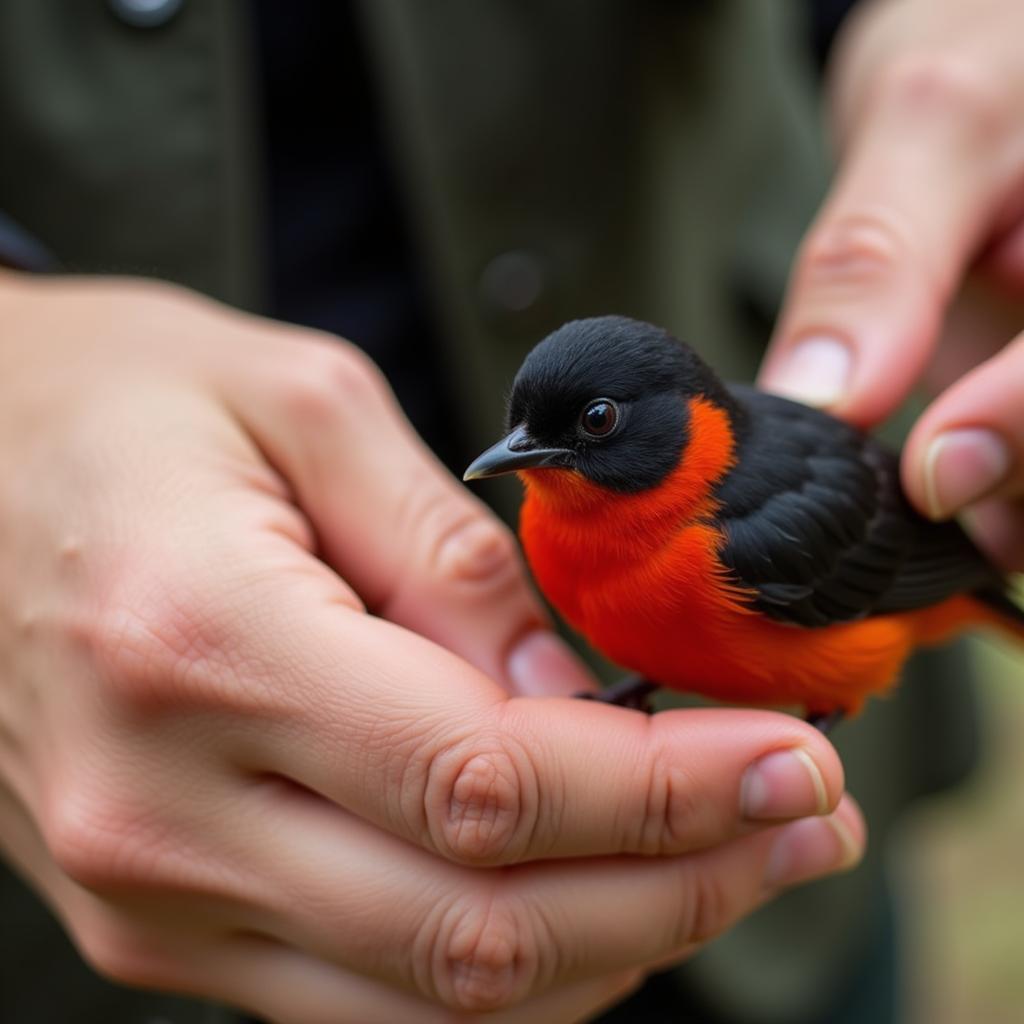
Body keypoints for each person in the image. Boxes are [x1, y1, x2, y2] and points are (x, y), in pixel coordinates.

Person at [0, 1, 1019, 1022]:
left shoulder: (738, 530)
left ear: (685, 426)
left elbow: (892, 580)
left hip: (780, 941)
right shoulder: (560, 519)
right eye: (530, 432)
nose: (530, 457)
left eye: (593, 425)